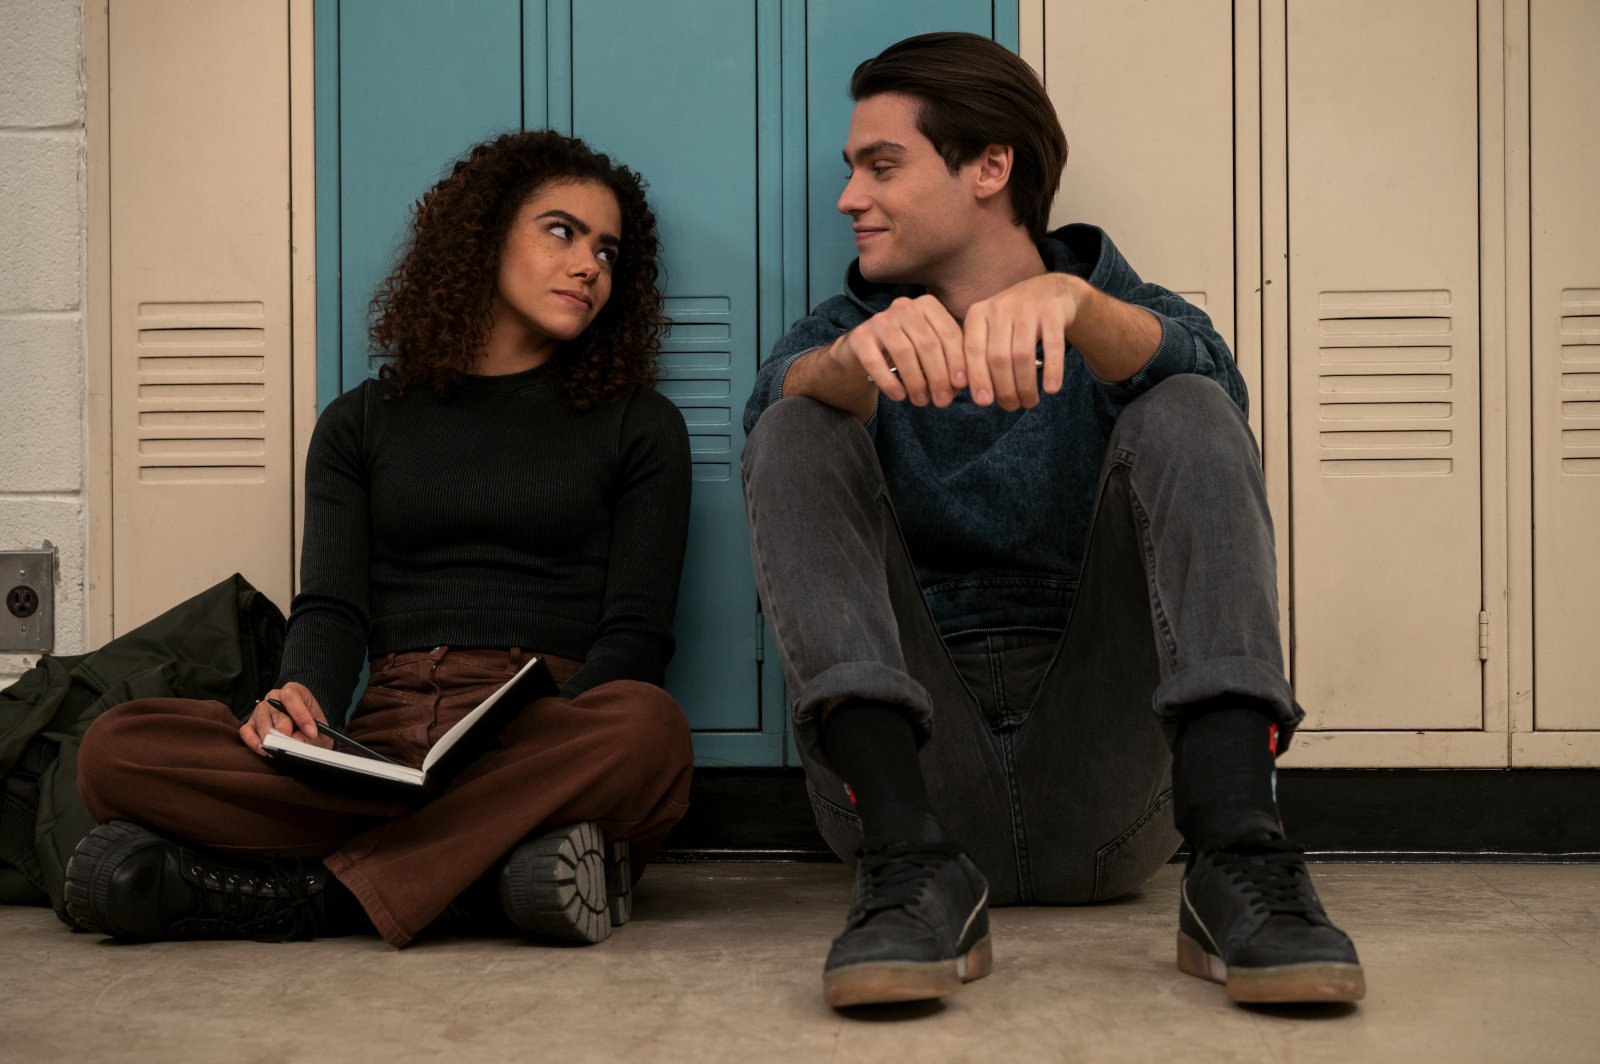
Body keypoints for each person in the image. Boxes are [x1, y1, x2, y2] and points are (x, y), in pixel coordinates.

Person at [741, 33, 1364, 1008]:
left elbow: (1214, 388)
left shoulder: (1117, 307)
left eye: (881, 165)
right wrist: (848, 367)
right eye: (851, 169)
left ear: (990, 165)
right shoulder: (843, 328)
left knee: (1189, 399)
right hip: (905, 791)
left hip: (1108, 784)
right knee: (794, 420)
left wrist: (1075, 306)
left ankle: (1238, 849)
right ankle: (910, 865)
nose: (847, 198)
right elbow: (776, 406)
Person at [64, 130, 695, 949]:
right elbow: (330, 609)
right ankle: (478, 876)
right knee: (117, 748)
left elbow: (636, 638)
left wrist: (530, 734)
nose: (589, 267)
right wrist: (300, 704)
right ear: (484, 235)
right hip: (382, 743)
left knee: (647, 730)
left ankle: (304, 898)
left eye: (608, 251)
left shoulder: (641, 426)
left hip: (540, 734)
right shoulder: (362, 421)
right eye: (562, 231)